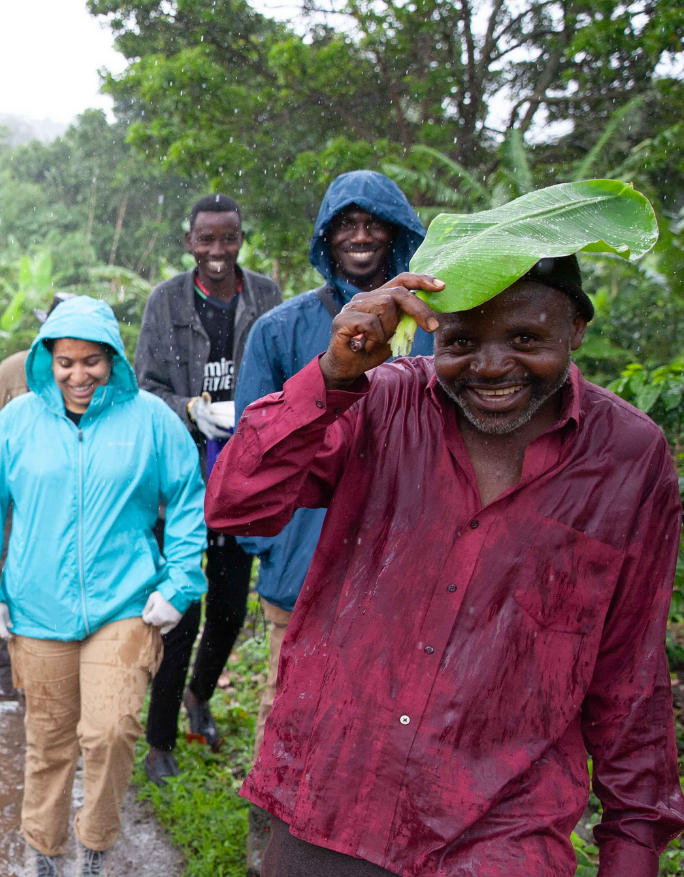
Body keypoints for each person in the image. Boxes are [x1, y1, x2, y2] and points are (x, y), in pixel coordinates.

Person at [207, 258, 684, 877]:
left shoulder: (628, 456)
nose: (490, 367)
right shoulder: (381, 399)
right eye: (460, 342)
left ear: (577, 329)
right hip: (334, 795)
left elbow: (630, 671)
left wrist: (634, 841)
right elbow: (236, 504)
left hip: (501, 830)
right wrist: (335, 373)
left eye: (526, 339)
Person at [228, 170, 434, 872]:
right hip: (304, 564)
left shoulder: (439, 326)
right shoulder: (282, 329)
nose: (360, 236)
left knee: (396, 716)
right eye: (345, 224)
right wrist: (272, 546)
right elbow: (248, 447)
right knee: (292, 708)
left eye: (374, 223)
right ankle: (274, 848)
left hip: (411, 566)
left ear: (398, 232)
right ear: (324, 238)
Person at [0, 295, 208, 877]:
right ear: (46, 359)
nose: (79, 375)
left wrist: (179, 582)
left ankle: (95, 842)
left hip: (123, 604)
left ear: (114, 359)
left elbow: (189, 501)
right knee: (48, 744)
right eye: (65, 361)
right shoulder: (18, 422)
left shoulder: (150, 419)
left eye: (92, 361)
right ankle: (46, 851)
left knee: (112, 730)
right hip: (37, 607)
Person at [132, 193, 283, 785]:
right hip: (182, 476)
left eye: (228, 239)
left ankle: (200, 696)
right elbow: (145, 387)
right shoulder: (166, 301)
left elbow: (287, 371)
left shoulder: (266, 296)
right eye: (206, 240)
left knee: (227, 606)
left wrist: (252, 414)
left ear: (241, 238)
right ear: (189, 242)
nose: (217, 252)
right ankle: (160, 738)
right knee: (182, 609)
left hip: (244, 473)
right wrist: (191, 409)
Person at [0, 291, 78, 702]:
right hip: (12, 498)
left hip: (65, 498)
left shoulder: (93, 373)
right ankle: (5, 669)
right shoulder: (14, 370)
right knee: (3, 575)